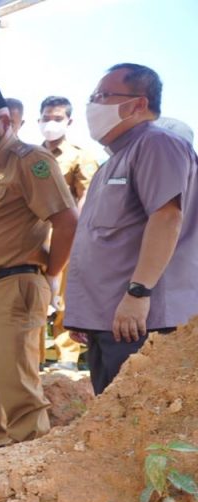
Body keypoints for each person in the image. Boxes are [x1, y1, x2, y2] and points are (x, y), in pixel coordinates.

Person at [0, 87, 77, 459]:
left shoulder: (30, 160)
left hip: (11, 286)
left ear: (5, 122)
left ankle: (30, 478)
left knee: (18, 390)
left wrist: (50, 274)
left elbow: (68, 221)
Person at [65, 64, 198, 395]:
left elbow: (167, 218)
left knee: (140, 428)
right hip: (110, 321)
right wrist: (85, 315)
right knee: (112, 422)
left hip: (139, 321)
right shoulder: (112, 162)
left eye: (103, 96)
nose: (93, 104)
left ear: (139, 103)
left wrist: (138, 293)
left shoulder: (157, 144)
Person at [37, 95, 99, 370]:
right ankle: (34, 355)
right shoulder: (31, 155)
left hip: (66, 236)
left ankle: (67, 357)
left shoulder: (80, 156)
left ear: (69, 121)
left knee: (65, 297)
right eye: (47, 117)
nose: (51, 123)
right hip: (33, 238)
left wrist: (80, 233)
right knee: (34, 297)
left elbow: (88, 197)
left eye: (58, 118)